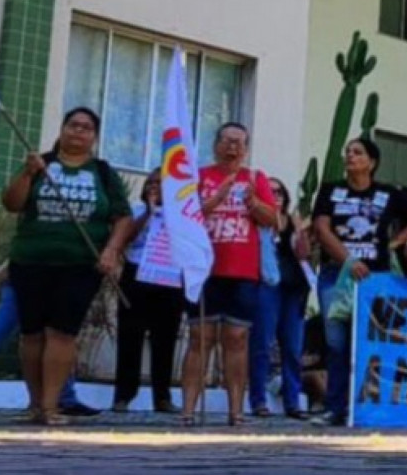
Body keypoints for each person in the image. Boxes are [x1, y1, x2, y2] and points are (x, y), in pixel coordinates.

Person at [1, 107, 133, 425]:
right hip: (31, 260)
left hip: (80, 264)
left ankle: (50, 407)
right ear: (61, 129)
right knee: (31, 334)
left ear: (95, 137)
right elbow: (11, 203)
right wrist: (28, 173)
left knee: (62, 333)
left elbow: (123, 217)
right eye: (72, 125)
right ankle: (34, 405)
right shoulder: (40, 163)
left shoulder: (102, 172)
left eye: (86, 128)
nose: (78, 131)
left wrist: (112, 250)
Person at [312, 137, 407, 426]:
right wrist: (349, 261)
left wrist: (395, 242)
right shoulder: (331, 190)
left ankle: (368, 405)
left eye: (357, 152)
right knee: (337, 343)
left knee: (370, 341)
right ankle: (335, 407)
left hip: (375, 279)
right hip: (335, 275)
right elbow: (321, 229)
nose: (350, 156)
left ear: (372, 162)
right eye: (347, 151)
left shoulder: (388, 193)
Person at [180, 122, 278, 427]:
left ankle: (236, 410)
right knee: (200, 338)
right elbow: (186, 215)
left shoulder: (255, 178)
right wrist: (216, 198)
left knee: (236, 339)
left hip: (243, 270)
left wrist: (253, 202)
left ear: (246, 148)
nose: (232, 147)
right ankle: (188, 410)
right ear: (215, 144)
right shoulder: (200, 177)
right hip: (204, 269)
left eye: (238, 142)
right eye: (226, 140)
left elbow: (273, 219)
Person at [112, 169, 184, 414]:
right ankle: (123, 395)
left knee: (165, 338)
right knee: (130, 335)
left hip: (169, 277)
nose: (154, 186)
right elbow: (126, 238)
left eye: (160, 183)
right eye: (150, 182)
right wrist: (149, 213)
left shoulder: (180, 213)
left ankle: (162, 397)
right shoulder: (134, 209)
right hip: (137, 275)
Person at [0, 264, 92, 416]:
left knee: (53, 336)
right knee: (51, 335)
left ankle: (65, 396)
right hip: (32, 275)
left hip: (42, 274)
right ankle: (64, 397)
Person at [248, 178, 312, 419]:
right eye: (270, 191)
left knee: (293, 346)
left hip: (293, 285)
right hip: (267, 284)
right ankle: (258, 400)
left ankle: (293, 401)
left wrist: (303, 234)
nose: (275, 196)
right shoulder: (257, 220)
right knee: (262, 343)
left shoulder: (292, 219)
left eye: (279, 192)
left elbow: (303, 254)